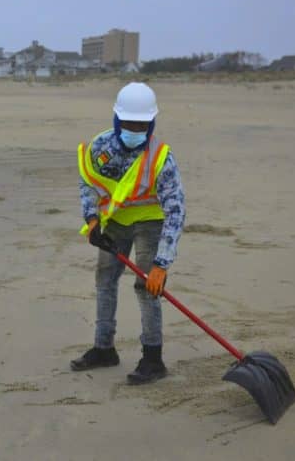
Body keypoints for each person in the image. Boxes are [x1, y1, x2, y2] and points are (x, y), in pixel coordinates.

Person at [71, 82, 185, 385]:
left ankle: (153, 359)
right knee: (105, 280)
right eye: (130, 123)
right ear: (117, 120)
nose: (135, 130)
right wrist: (92, 220)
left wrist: (161, 264)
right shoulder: (100, 147)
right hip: (115, 223)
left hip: (151, 222)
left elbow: (175, 212)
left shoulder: (161, 158)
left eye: (142, 125)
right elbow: (88, 183)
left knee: (147, 287)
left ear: (152, 124)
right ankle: (104, 349)